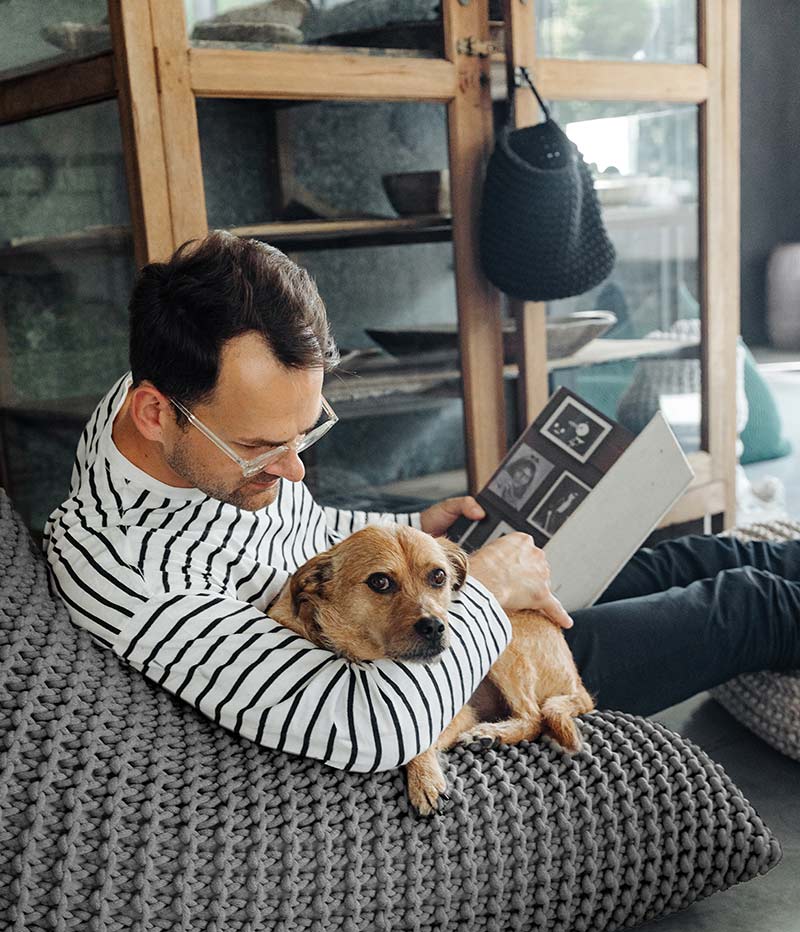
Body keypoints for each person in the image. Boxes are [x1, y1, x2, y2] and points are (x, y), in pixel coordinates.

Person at [44, 231, 800, 773]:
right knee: (748, 603)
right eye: (262, 447)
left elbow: (300, 531)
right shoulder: (130, 575)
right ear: (154, 413)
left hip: (429, 603)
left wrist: (413, 533)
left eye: (306, 432)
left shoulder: (175, 407)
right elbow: (367, 726)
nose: (297, 470)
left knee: (700, 555)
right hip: (458, 677)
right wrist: (484, 591)